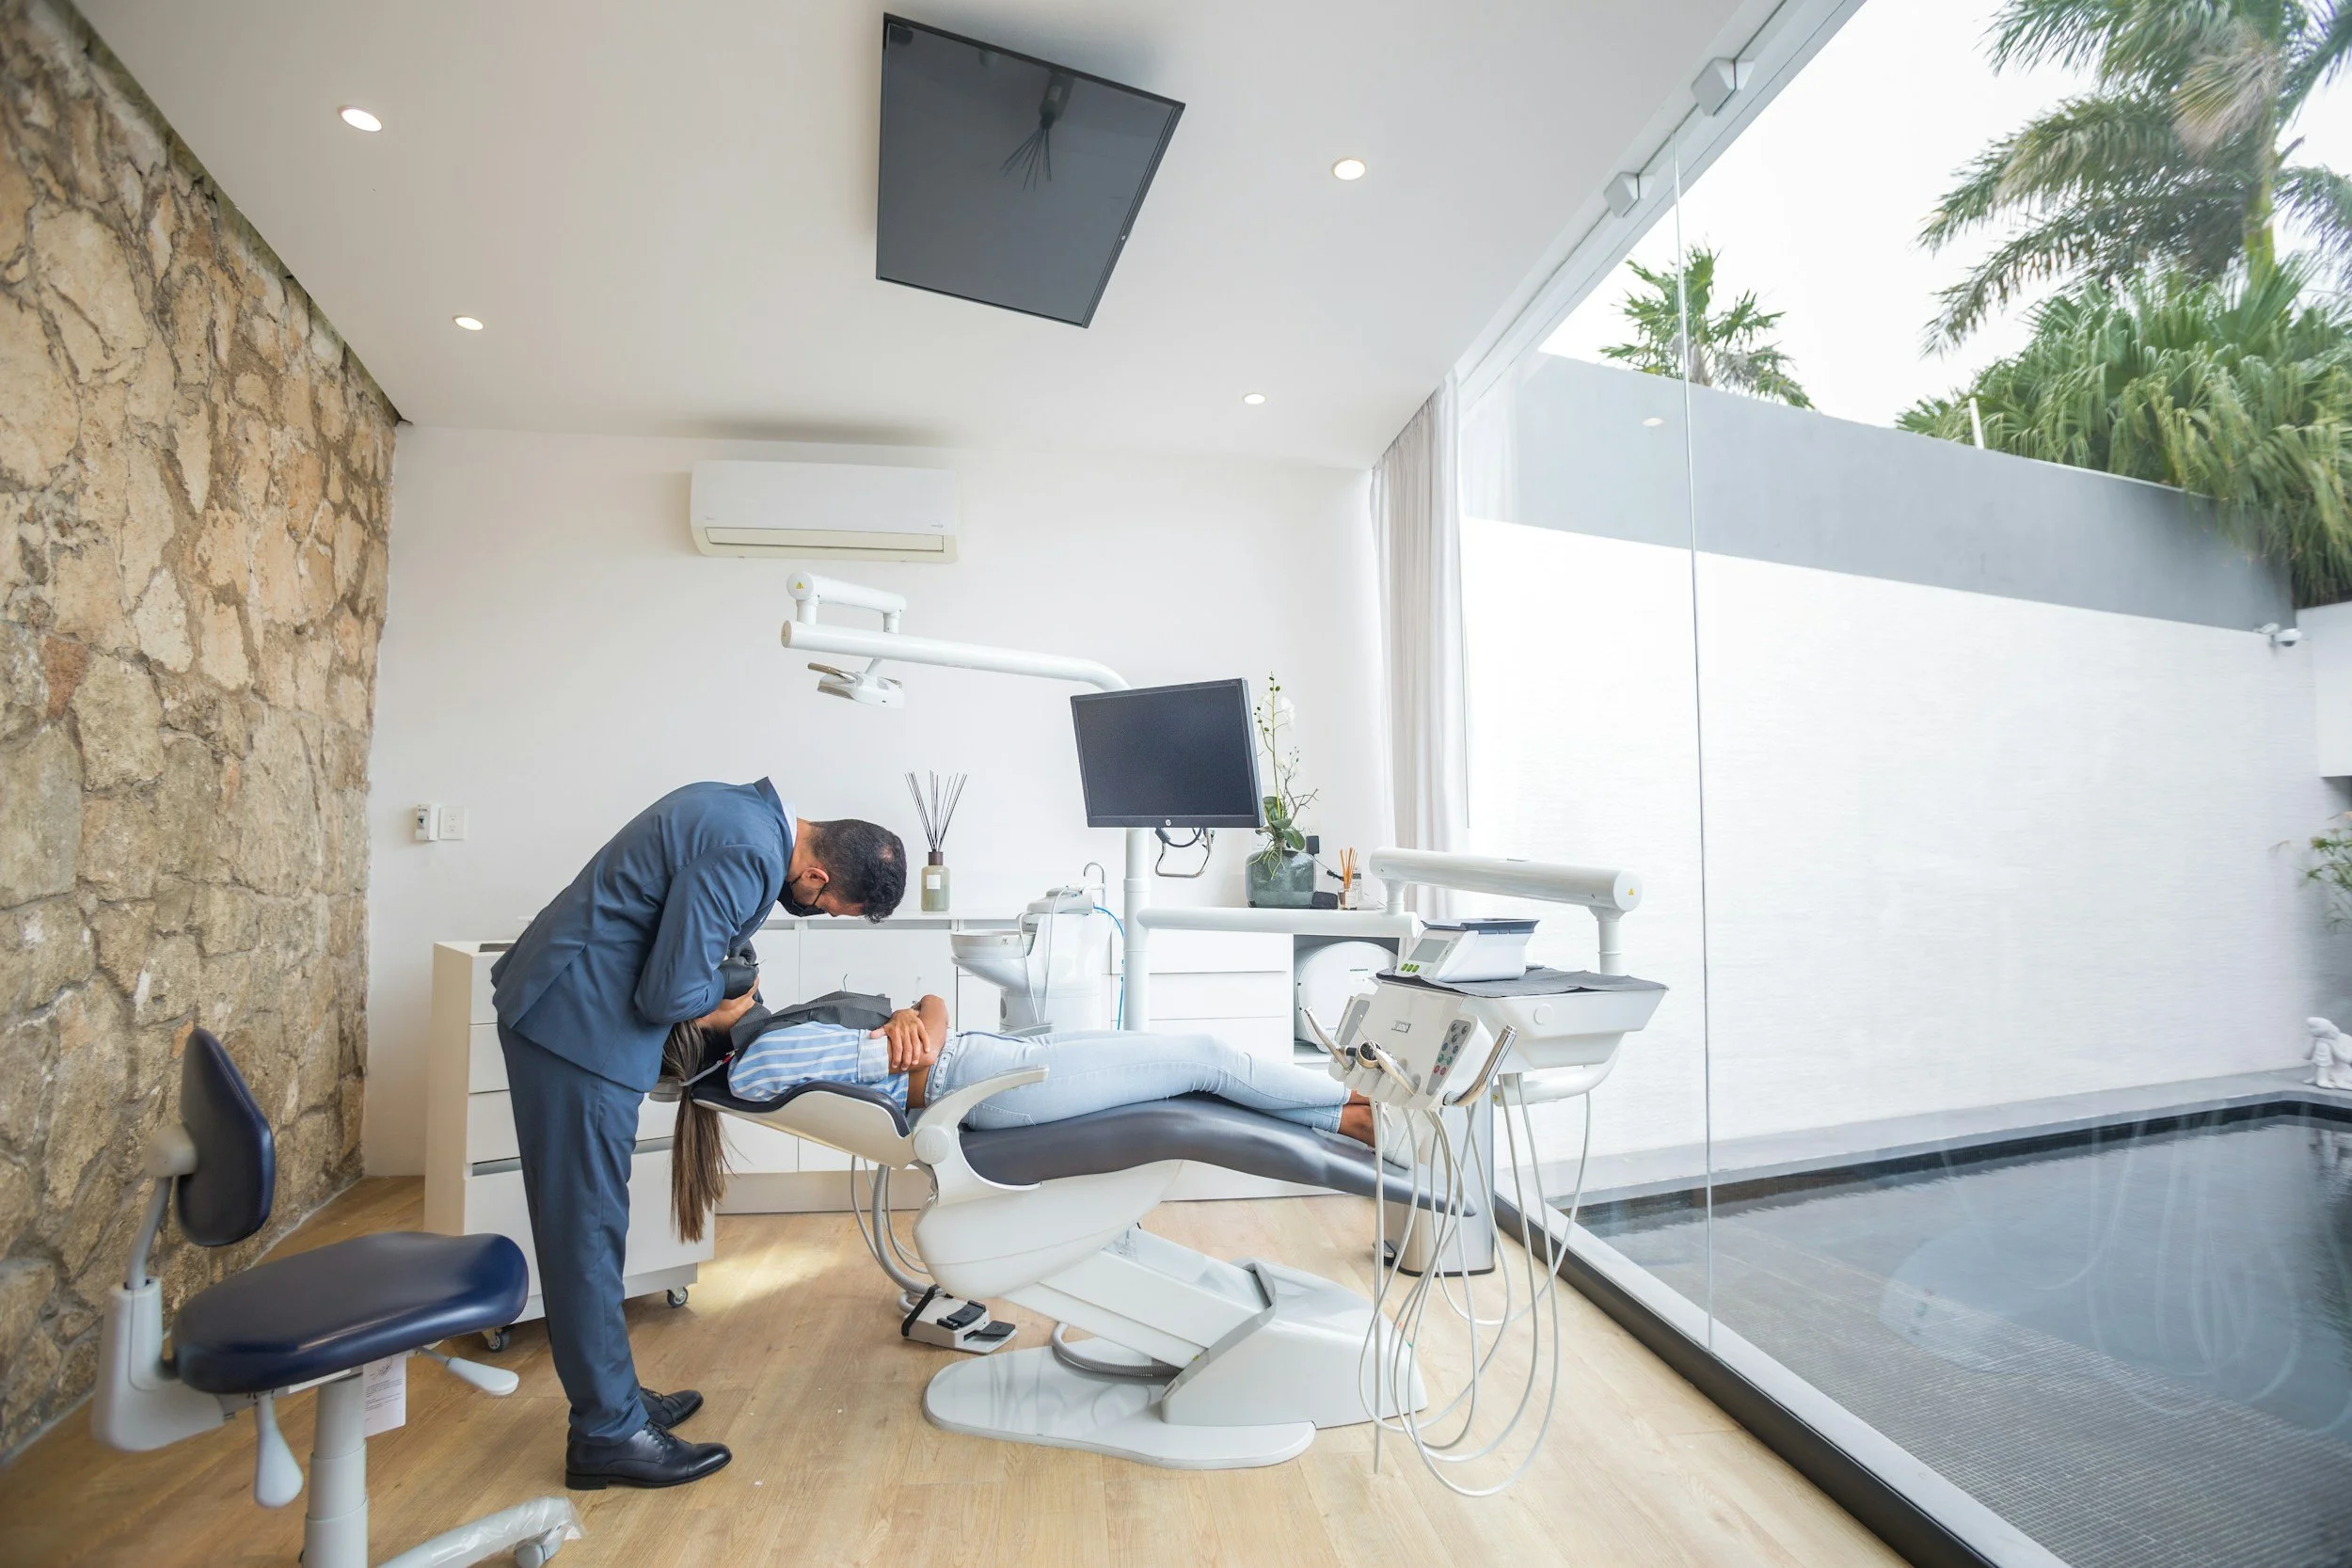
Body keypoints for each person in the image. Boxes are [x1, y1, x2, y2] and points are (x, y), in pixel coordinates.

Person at [489, 779, 905, 1490]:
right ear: (815, 875)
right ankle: (607, 1433)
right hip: (575, 1027)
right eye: (828, 906)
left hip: (571, 1007)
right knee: (586, 1232)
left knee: (596, 1227)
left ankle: (613, 1397)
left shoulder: (742, 812)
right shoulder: (747, 854)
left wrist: (726, 986)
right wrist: (723, 1005)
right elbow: (666, 994)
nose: (816, 911)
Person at [662, 992, 1374, 1231]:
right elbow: (911, 1051)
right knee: (1203, 1057)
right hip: (987, 1085)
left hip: (983, 1061)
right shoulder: (762, 1061)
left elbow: (927, 1014)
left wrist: (921, 1013)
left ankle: (1344, 1120)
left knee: (1187, 1070)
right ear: (696, 1017)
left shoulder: (766, 1040)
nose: (732, 963)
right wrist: (920, 1017)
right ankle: (1361, 1113)